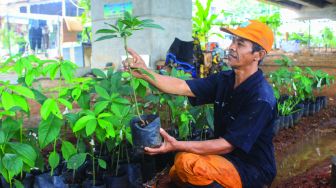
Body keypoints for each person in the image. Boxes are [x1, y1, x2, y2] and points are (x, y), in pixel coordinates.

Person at [124, 20, 277, 188]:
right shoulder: (225, 80)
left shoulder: (261, 98)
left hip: (251, 169)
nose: (232, 47)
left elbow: (225, 145)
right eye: (233, 41)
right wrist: (146, 73)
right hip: (225, 158)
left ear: (259, 55)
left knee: (188, 165)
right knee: (179, 166)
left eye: (240, 44)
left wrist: (176, 145)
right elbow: (182, 86)